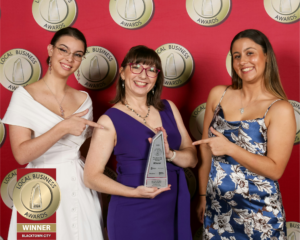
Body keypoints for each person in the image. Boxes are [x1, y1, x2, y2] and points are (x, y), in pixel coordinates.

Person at [84, 45, 198, 240]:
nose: (144, 75)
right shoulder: (109, 120)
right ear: (122, 73)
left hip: (172, 207)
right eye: (136, 67)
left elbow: (193, 160)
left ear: (157, 77)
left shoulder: (169, 108)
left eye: (152, 70)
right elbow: (91, 177)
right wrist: (134, 192)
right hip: (132, 211)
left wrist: (171, 154)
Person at [3, 27, 106, 240]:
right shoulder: (24, 96)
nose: (70, 58)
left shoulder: (84, 99)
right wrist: (62, 128)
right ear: (50, 49)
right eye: (63, 50)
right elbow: (21, 155)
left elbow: (86, 152)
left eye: (77, 54)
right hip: (39, 184)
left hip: (78, 181)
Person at [194, 29, 296, 240]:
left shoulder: (279, 108)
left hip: (261, 213)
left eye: (250, 53)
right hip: (218, 208)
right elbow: (205, 151)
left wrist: (230, 148)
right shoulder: (218, 95)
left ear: (266, 56)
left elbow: (275, 169)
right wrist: (203, 195)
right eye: (237, 55)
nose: (243, 61)